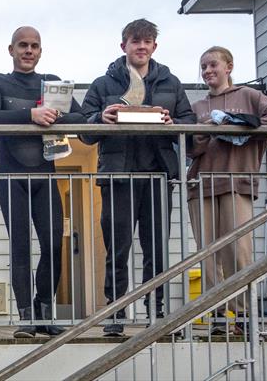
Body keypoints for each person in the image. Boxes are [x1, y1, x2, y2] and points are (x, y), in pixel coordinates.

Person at [74, 19, 196, 336]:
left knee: (157, 250)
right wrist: (100, 118)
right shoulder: (103, 84)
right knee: (118, 248)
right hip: (116, 177)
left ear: (154, 46)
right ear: (123, 46)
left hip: (157, 177)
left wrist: (173, 124)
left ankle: (156, 313)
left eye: (147, 41)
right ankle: (115, 314)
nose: (141, 46)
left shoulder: (171, 82)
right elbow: (83, 132)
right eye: (134, 41)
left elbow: (191, 127)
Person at [0, 26, 85, 338]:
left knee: (53, 243)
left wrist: (52, 117)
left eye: (34, 46)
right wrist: (31, 114)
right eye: (22, 45)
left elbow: (81, 119)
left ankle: (43, 308)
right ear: (10, 50)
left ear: (40, 51)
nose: (28, 50)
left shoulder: (51, 84)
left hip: (44, 176)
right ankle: (26, 315)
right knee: (20, 246)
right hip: (11, 176)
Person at [187, 46, 267, 335]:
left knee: (238, 252)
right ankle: (218, 319)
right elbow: (190, 149)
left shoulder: (249, 96)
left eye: (213, 65)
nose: (208, 71)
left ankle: (244, 318)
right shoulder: (197, 108)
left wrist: (242, 125)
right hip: (201, 185)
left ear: (229, 66)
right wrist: (205, 130)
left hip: (237, 182)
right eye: (203, 67)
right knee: (207, 256)